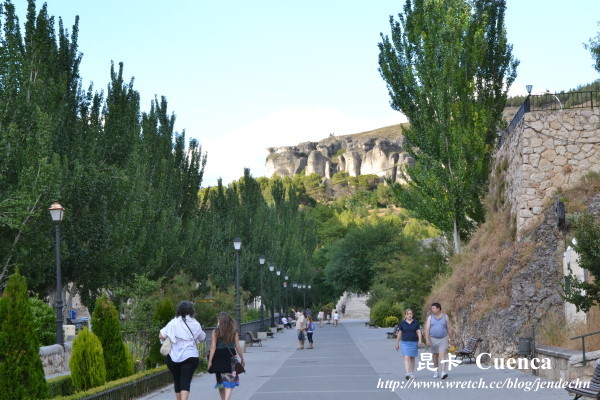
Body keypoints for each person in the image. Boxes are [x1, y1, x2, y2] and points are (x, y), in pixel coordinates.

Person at [159, 301, 206, 400]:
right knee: (186, 381)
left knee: (177, 381)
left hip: (173, 356)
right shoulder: (195, 323)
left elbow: (161, 335)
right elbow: (202, 337)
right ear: (191, 311)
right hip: (190, 356)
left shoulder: (173, 322)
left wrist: (170, 336)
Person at [207, 312, 245, 400]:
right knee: (230, 380)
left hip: (218, 357)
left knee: (220, 382)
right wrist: (242, 358)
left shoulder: (215, 331)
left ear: (220, 321)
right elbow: (238, 347)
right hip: (230, 357)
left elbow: (213, 347)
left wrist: (210, 361)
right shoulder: (233, 332)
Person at [425, 302, 454, 379]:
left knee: (442, 354)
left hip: (443, 339)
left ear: (438, 308)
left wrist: (451, 339)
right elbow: (427, 329)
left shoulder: (445, 317)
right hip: (433, 339)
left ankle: (443, 372)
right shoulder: (430, 317)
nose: (432, 310)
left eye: (433, 308)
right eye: (431, 308)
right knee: (435, 356)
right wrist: (427, 339)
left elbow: (449, 328)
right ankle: (435, 371)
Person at [394, 309, 422, 380]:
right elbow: (400, 333)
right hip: (405, 342)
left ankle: (411, 373)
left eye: (411, 314)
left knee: (412, 358)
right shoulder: (402, 323)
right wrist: (397, 343)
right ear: (405, 315)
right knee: (406, 357)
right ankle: (407, 373)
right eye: (408, 314)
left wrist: (420, 340)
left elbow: (418, 332)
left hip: (414, 342)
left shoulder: (416, 322)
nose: (409, 315)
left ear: (412, 315)